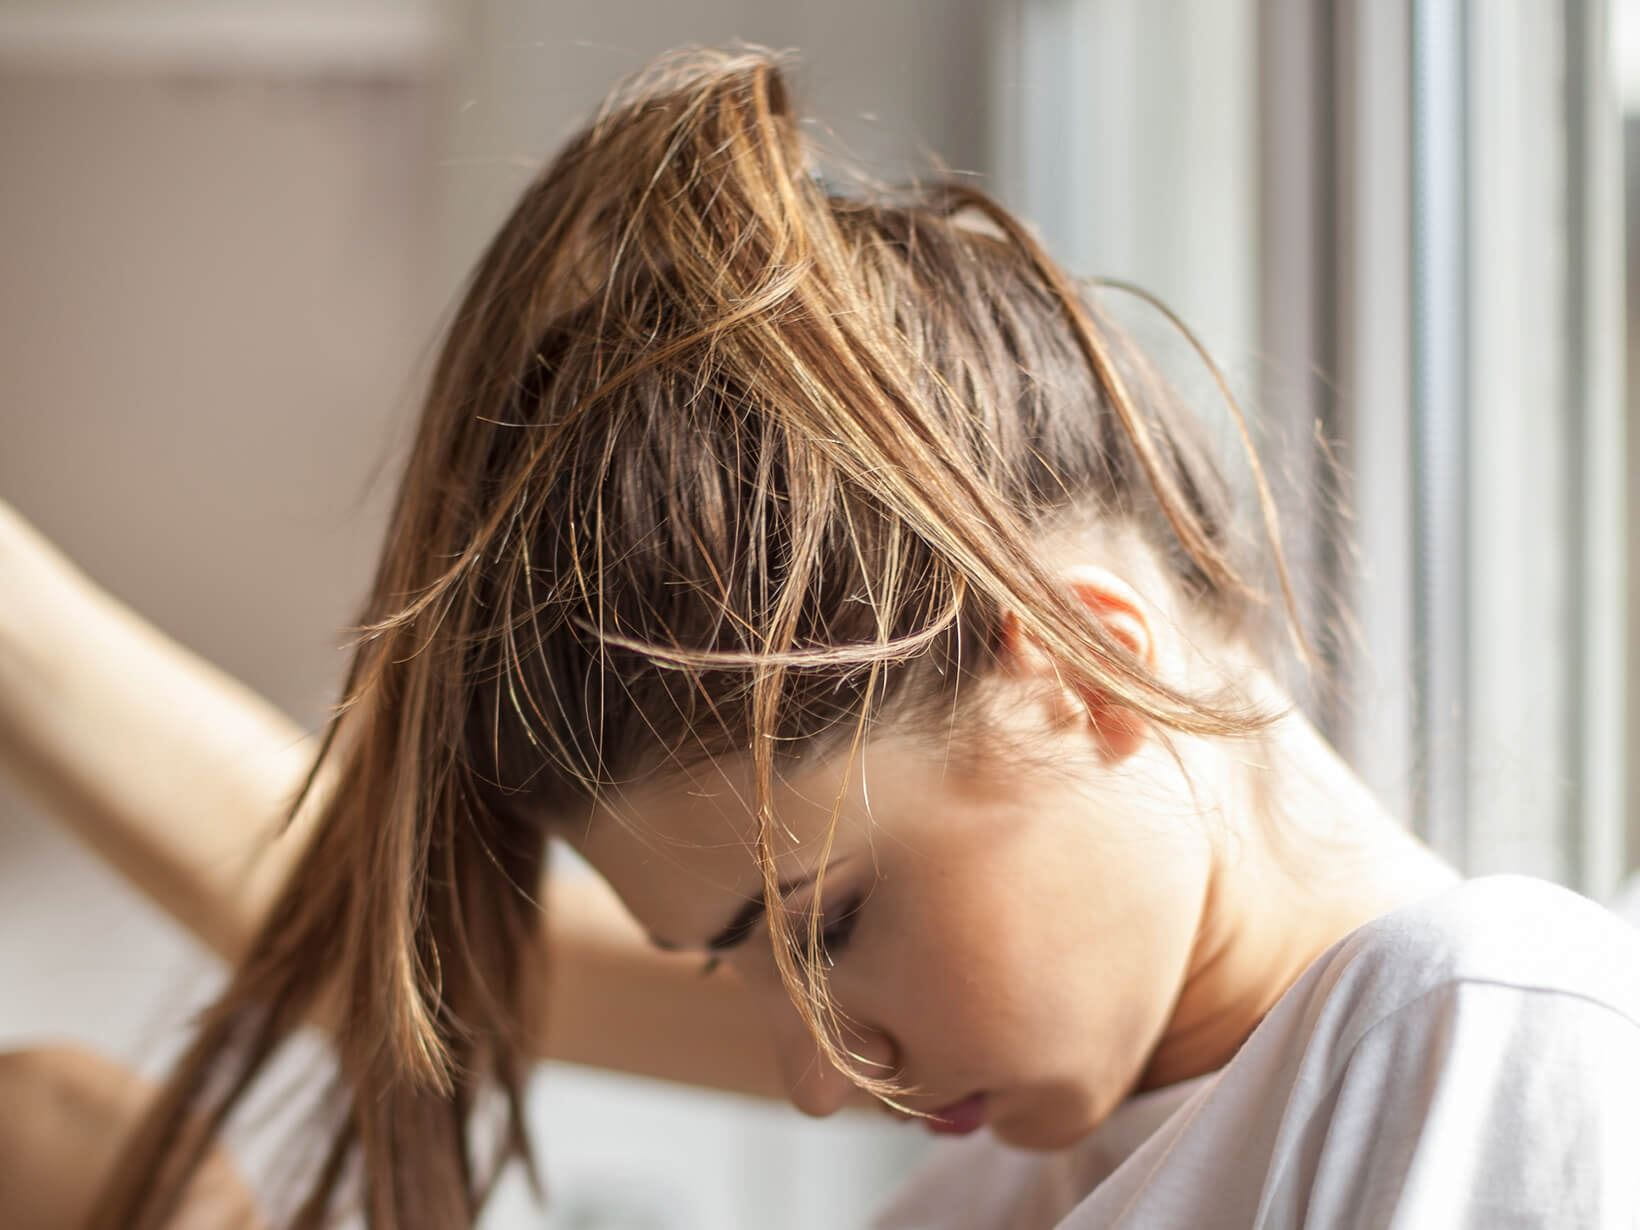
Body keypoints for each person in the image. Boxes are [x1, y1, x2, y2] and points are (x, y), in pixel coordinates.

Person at [2, 44, 1637, 1230]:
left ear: (1073, 664)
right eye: (746, 963)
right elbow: (379, 934)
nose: (806, 1076)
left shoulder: (1483, 1032)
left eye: (827, 923)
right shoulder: (988, 1193)